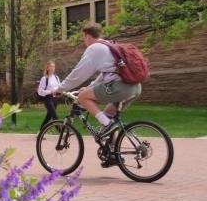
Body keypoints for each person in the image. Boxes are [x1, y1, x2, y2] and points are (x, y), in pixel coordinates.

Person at [54, 22, 142, 158]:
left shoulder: (95, 48)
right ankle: (113, 154)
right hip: (135, 87)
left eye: (83, 37)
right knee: (108, 114)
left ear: (87, 36)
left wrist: (61, 88)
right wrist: (90, 87)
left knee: (83, 97)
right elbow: (105, 74)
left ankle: (108, 125)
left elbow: (79, 73)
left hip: (120, 87)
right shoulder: (110, 45)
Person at [37, 61, 61, 131]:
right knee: (55, 116)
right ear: (47, 68)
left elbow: (59, 87)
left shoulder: (56, 77)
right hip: (48, 99)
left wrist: (61, 91)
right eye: (51, 66)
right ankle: (61, 133)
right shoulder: (44, 79)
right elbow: (40, 91)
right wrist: (50, 91)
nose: (53, 68)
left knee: (48, 117)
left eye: (54, 66)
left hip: (55, 99)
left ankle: (40, 133)